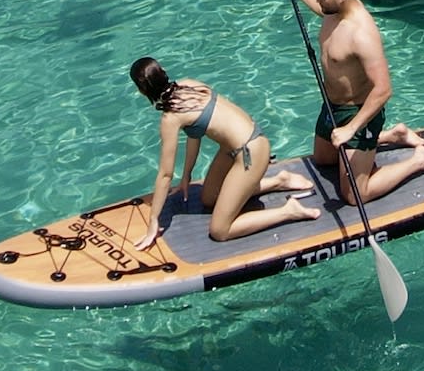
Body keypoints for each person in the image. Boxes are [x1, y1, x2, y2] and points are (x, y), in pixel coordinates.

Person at [280, 0, 424, 202]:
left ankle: (418, 160)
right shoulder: (334, 10)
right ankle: (395, 135)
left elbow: (384, 89)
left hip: (359, 113)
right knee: (324, 160)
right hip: (332, 106)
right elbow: (321, 7)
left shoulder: (361, 34)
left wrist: (351, 128)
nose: (319, 1)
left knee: (355, 195)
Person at [129, 57, 319, 244]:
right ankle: (279, 181)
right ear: (162, 73)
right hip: (241, 145)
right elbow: (194, 134)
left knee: (220, 231)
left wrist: (154, 219)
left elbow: (165, 175)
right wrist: (186, 175)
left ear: (141, 90)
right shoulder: (188, 85)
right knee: (209, 198)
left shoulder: (170, 119)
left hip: (249, 153)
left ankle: (288, 211)